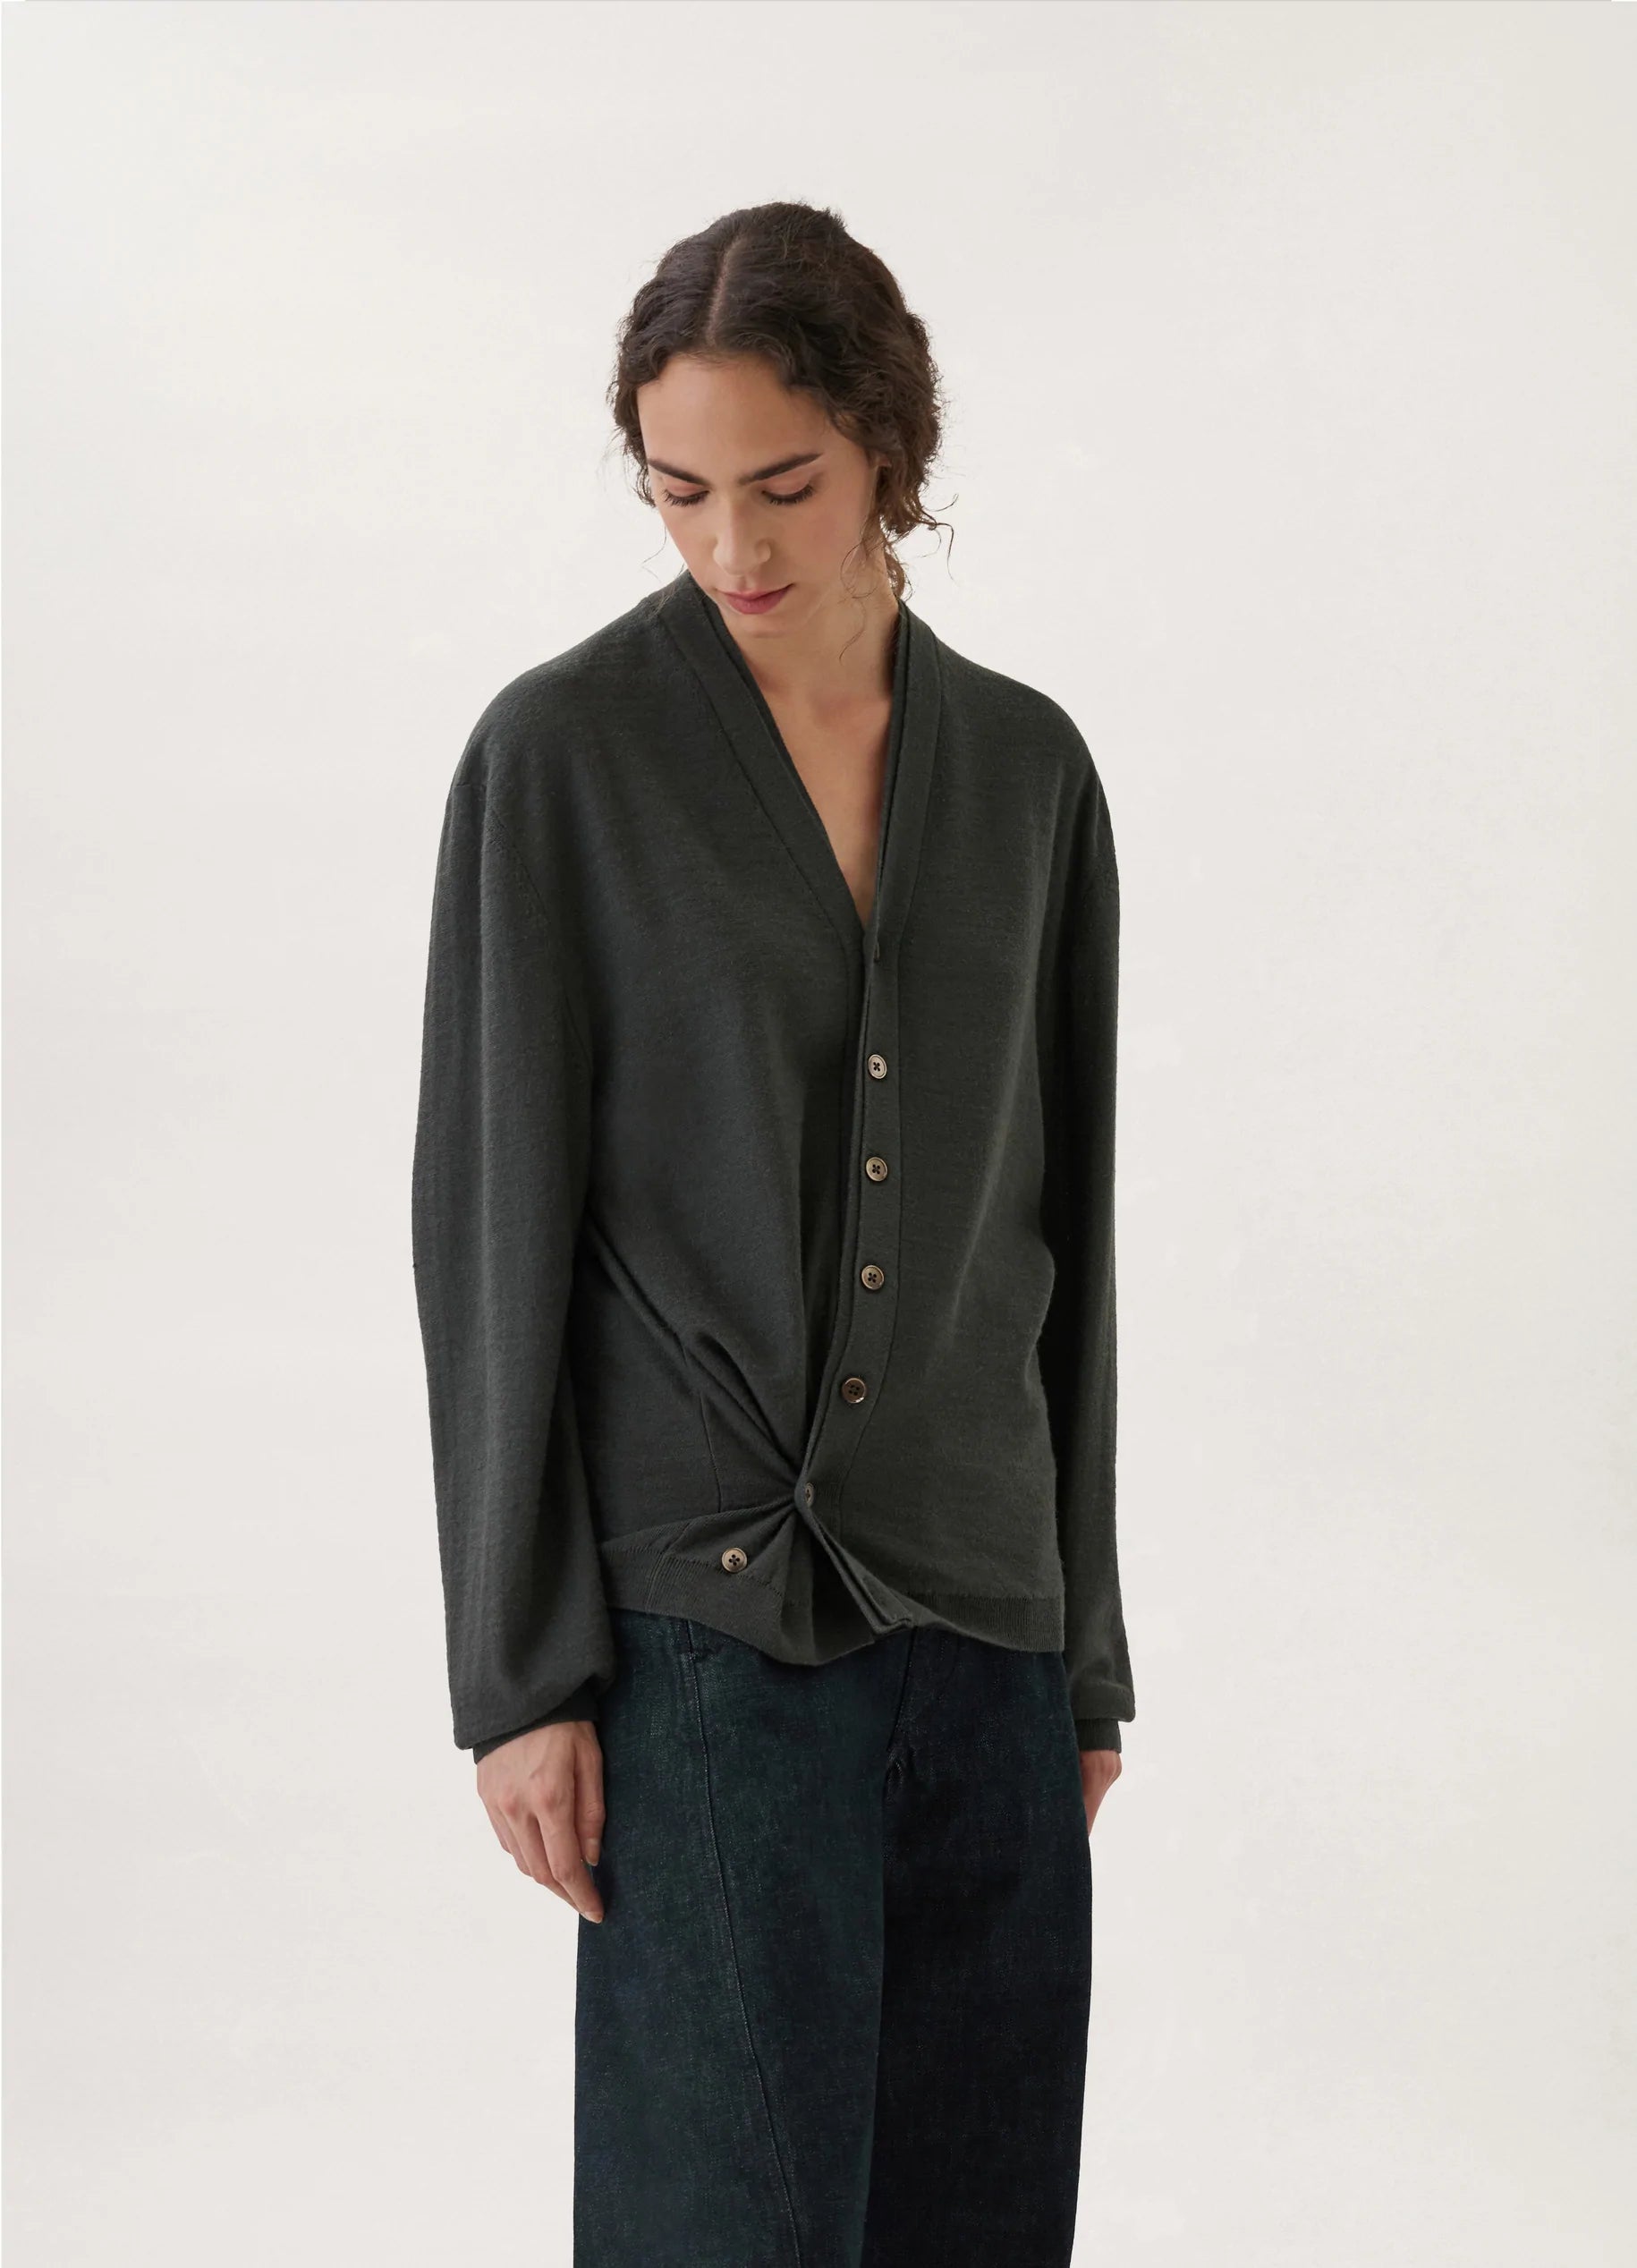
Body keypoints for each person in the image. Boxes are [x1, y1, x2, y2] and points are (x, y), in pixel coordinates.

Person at [411, 199, 1133, 2267]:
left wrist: (1082, 1648)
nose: (731, 543)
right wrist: (519, 1674)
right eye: (680, 489)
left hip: (986, 1633)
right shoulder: (564, 759)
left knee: (978, 2227)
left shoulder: (1029, 772)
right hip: (705, 1648)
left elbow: (1063, 1228)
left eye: (785, 484)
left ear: (890, 444)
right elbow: (489, 1230)